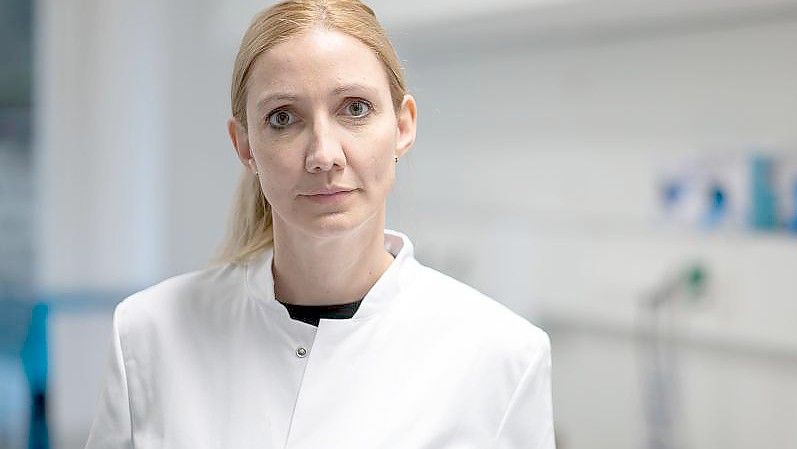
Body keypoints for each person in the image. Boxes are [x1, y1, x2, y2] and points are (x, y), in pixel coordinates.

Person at [84, 1, 555, 448]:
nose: (324, 155)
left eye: (355, 108)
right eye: (283, 118)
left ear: (404, 126)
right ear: (245, 146)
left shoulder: (502, 355)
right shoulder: (148, 333)